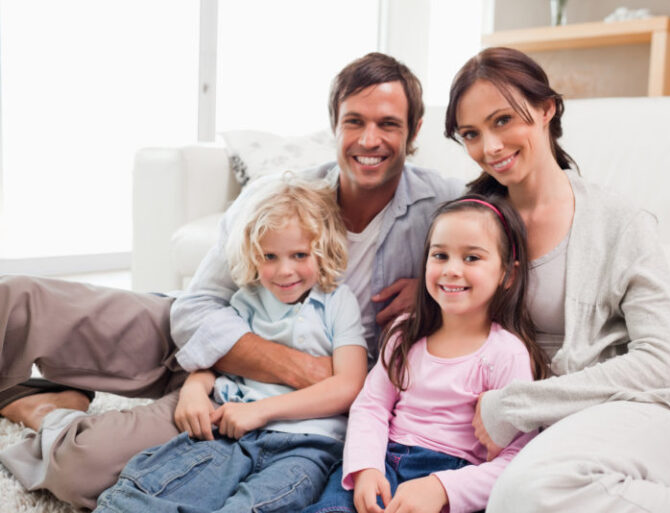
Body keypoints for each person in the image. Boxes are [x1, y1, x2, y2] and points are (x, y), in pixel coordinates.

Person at [0, 52, 462, 509]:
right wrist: (267, 369)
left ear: (415, 131)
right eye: (355, 121)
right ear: (334, 126)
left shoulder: (440, 207)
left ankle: (43, 409)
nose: (369, 139)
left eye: (388, 124)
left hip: (263, 400)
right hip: (214, 334)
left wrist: (428, 296)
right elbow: (198, 307)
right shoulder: (278, 196)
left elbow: (492, 263)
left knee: (83, 467)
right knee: (17, 297)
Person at [443, 47, 670, 512]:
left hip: (647, 415)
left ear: (547, 109)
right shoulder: (473, 221)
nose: (489, 147)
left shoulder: (618, 220)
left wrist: (513, 406)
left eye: (503, 120)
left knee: (523, 494)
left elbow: (665, 363)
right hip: (552, 433)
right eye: (471, 133)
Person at [94, 176, 369, 512]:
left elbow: (350, 385)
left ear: (322, 250)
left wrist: (259, 411)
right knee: (141, 489)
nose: (285, 271)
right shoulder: (246, 301)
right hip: (231, 434)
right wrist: (194, 390)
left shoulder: (337, 302)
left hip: (307, 444)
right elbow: (215, 362)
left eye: (299, 255)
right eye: (270, 256)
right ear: (253, 256)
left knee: (251, 506)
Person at [304, 195, 549, 513]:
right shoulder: (404, 333)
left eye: (472, 258)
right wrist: (365, 468)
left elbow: (516, 457)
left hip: (450, 480)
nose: (451, 270)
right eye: (440, 255)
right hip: (382, 462)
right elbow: (372, 406)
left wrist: (443, 489)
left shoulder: (506, 354)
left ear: (507, 275)